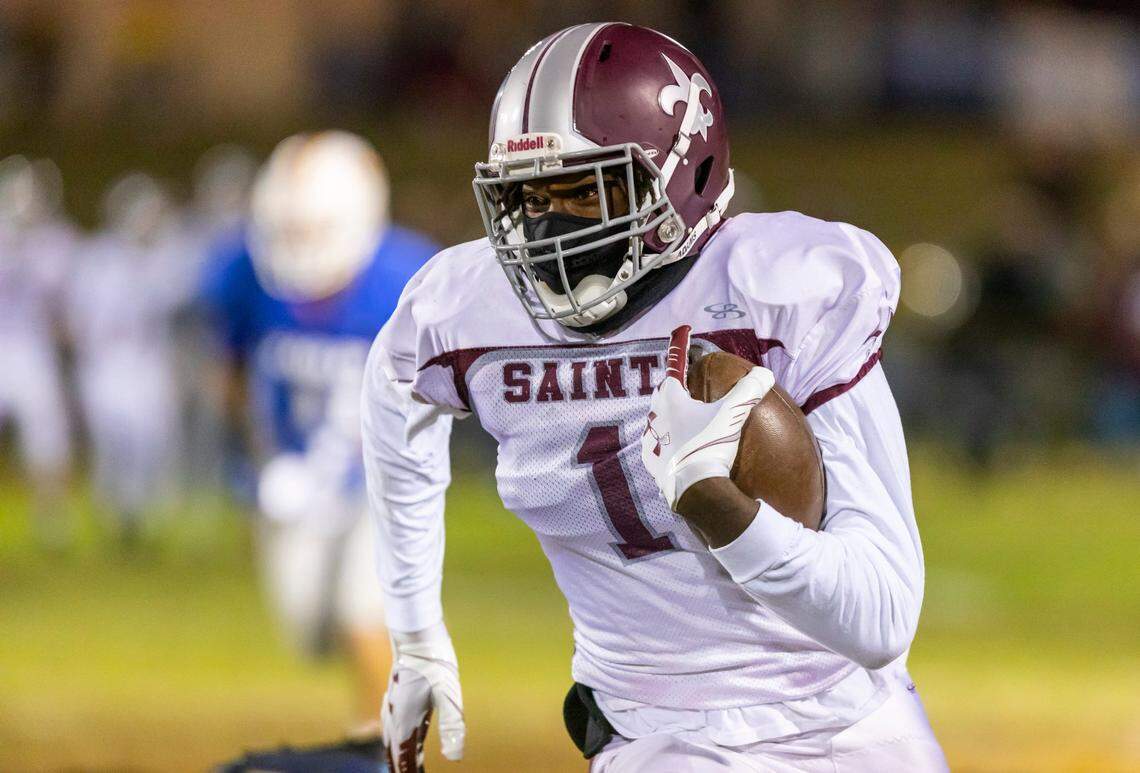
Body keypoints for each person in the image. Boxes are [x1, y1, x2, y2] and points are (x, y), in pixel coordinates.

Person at [363, 23, 948, 771]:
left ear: (684, 171)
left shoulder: (775, 291)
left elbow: (881, 620)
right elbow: (391, 397)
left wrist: (721, 510)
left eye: (583, 192)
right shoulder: (467, 307)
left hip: (852, 717)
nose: (546, 230)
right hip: (661, 733)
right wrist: (415, 633)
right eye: (526, 197)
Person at [202, 130, 438, 732]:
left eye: (314, 230)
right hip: (290, 473)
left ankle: (380, 747)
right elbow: (229, 369)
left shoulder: (410, 278)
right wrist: (257, 463)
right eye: (290, 231)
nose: (301, 245)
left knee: (364, 611)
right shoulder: (242, 271)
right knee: (309, 627)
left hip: (386, 475)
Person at [68, 172, 191, 545]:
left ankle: (141, 515)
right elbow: (79, 316)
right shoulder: (96, 258)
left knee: (151, 441)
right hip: (106, 361)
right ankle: (117, 515)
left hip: (148, 361)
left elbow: (181, 299)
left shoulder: (167, 257)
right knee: (112, 441)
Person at [0, 155, 75, 545]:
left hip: (33, 348)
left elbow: (59, 294)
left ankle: (51, 516)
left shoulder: (54, 241)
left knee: (47, 432)